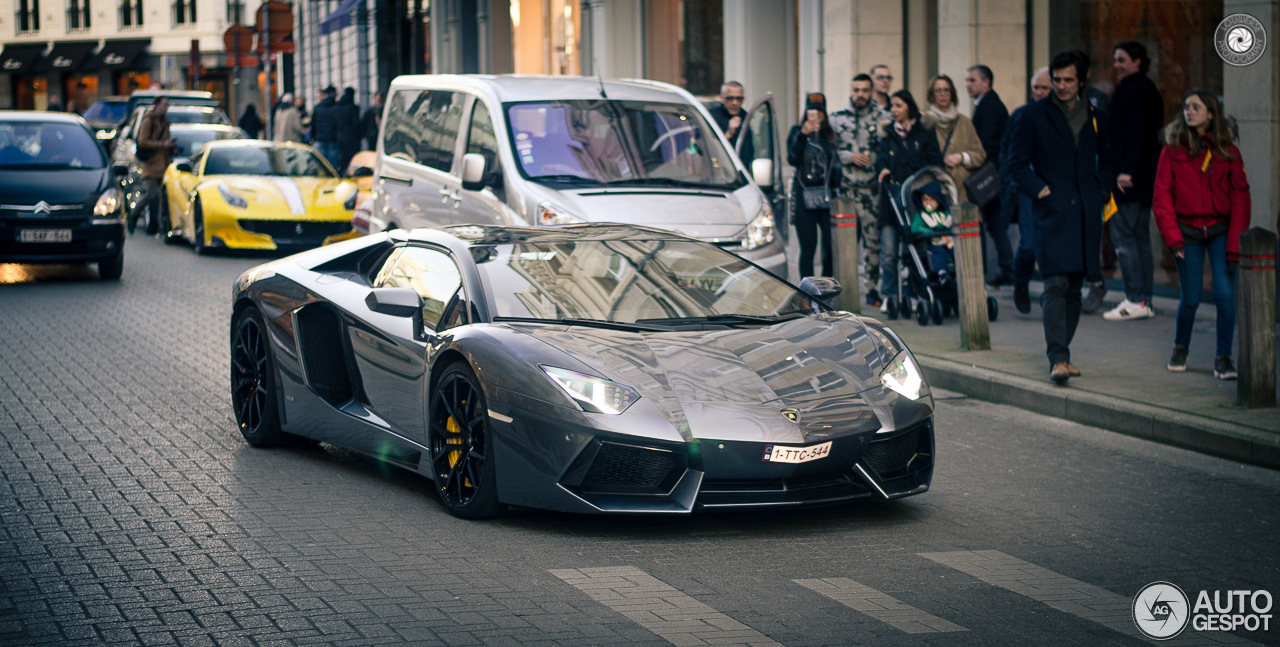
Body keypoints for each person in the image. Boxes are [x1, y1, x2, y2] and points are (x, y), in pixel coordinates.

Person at [1006, 50, 1115, 385]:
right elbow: (1016, 165)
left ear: (1081, 80)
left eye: (1069, 80)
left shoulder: (1097, 113)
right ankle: (1058, 358)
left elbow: (1109, 157)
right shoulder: (1032, 116)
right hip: (1051, 212)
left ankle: (1063, 351)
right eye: (1057, 80)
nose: (1062, 86)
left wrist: (1101, 189)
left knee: (1075, 286)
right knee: (1055, 282)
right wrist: (1040, 191)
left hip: (1085, 212)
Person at [1153, 89, 1250, 380]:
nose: (1188, 112)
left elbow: (1241, 200)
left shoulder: (1229, 151)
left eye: (1195, 107)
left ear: (1211, 113)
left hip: (1221, 230)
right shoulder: (1172, 150)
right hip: (1187, 232)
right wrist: (1173, 238)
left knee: (1224, 295)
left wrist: (1234, 248)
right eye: (1186, 107)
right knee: (1191, 297)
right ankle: (1181, 347)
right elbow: (1162, 197)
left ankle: (1223, 357)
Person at [1102, 40, 1164, 322]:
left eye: (1123, 60)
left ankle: (1135, 299)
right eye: (1115, 60)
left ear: (1139, 61)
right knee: (1138, 240)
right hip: (1137, 178)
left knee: (1125, 238)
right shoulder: (1139, 88)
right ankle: (1143, 300)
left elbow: (1139, 135)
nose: (1117, 65)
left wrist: (1126, 171)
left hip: (1129, 180)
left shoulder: (1137, 90)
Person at [875, 89, 943, 310]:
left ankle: (915, 293)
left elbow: (935, 162)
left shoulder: (923, 132)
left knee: (916, 251)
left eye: (898, 106)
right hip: (891, 201)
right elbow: (881, 159)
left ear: (909, 107)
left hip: (915, 201)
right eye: (892, 106)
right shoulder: (887, 134)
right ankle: (890, 295)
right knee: (888, 253)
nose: (893, 110)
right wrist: (883, 169)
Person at [830, 73, 889, 305]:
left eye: (865, 90)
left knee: (873, 243)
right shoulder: (836, 118)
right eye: (856, 90)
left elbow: (888, 150)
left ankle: (872, 288)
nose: (860, 95)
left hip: (872, 190)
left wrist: (872, 158)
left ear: (871, 91)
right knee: (845, 245)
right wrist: (848, 156)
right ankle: (844, 290)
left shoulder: (883, 117)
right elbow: (829, 150)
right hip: (845, 191)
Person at [1001, 67, 1052, 314]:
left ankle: (1052, 294)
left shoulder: (1062, 117)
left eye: (1045, 88)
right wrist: (1013, 182)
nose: (1040, 93)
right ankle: (1020, 283)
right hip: (1026, 188)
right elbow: (1007, 152)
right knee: (1029, 243)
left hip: (1056, 189)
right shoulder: (1021, 115)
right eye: (1036, 88)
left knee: (1053, 244)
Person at [965, 64, 1013, 287]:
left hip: (989, 177)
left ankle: (992, 269)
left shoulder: (990, 106)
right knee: (993, 223)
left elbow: (987, 145)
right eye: (967, 80)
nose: (967, 84)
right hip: (991, 175)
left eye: (972, 80)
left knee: (986, 222)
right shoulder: (986, 104)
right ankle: (1007, 268)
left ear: (986, 82)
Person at [786, 93, 843, 278]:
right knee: (808, 247)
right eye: (811, 111)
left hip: (826, 195)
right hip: (805, 194)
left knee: (829, 245)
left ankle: (826, 285)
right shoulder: (797, 131)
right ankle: (807, 291)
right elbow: (792, 158)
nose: (815, 116)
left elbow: (835, 163)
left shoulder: (829, 135)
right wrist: (804, 134)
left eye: (819, 112)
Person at [922, 74, 985, 202]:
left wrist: (962, 157)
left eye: (946, 90)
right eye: (938, 91)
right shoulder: (924, 122)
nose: (943, 94)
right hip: (933, 193)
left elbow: (980, 155)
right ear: (931, 94)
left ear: (952, 93)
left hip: (963, 193)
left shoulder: (964, 122)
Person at [126, 97, 174, 233]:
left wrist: (170, 148)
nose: (166, 108)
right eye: (164, 105)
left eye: (167, 105)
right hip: (151, 165)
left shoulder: (165, 122)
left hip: (164, 165)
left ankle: (159, 225)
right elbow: (142, 141)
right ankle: (133, 214)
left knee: (163, 198)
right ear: (157, 105)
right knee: (150, 194)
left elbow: (166, 141)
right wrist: (161, 144)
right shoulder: (148, 121)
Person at [310, 86, 340, 167]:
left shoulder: (317, 107)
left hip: (319, 138)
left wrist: (313, 136)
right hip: (332, 139)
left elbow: (313, 124)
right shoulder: (336, 107)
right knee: (332, 164)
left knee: (320, 163)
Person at [335, 87, 362, 172]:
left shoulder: (338, 106)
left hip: (340, 137)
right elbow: (355, 123)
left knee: (343, 159)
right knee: (351, 159)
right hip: (351, 138)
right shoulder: (353, 107)